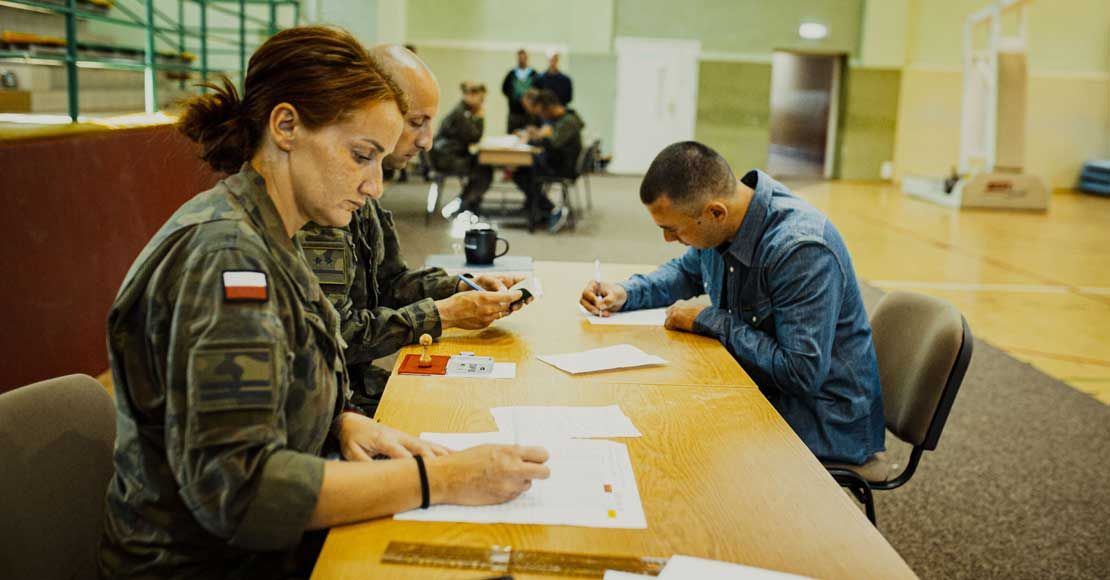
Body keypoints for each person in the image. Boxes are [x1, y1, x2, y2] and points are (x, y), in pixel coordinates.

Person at [100, 26, 550, 579]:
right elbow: (242, 493)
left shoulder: (269, 231)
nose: (375, 185)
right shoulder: (229, 261)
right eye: (361, 155)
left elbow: (276, 381)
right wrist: (442, 480)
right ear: (286, 126)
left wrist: (338, 423)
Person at [579, 141, 885, 465]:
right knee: (653, 410)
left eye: (673, 229)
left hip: (822, 419)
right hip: (761, 386)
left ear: (715, 213)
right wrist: (626, 292)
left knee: (669, 436)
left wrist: (710, 320)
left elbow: (800, 373)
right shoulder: (723, 223)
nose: (668, 239)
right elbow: (686, 272)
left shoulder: (801, 250)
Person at [298, 46, 530, 416]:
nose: (426, 141)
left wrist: (460, 287)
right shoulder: (323, 205)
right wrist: (444, 314)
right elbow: (336, 336)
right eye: (416, 122)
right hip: (335, 403)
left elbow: (390, 282)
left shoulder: (361, 192)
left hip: (347, 391)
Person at [511, 88, 585, 233]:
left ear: (549, 108)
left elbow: (552, 143)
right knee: (522, 170)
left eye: (541, 112)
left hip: (562, 168)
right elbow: (549, 141)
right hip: (557, 161)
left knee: (523, 173)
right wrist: (539, 135)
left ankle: (545, 209)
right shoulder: (562, 118)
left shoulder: (568, 121)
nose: (541, 116)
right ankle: (539, 208)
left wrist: (536, 138)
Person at [430, 81, 494, 214]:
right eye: (481, 99)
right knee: (483, 169)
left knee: (482, 165)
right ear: (470, 96)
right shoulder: (461, 113)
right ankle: (465, 204)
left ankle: (469, 202)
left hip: (449, 155)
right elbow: (475, 137)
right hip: (447, 159)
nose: (482, 103)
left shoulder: (464, 111)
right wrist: (480, 118)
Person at [501, 48, 538, 133]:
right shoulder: (511, 74)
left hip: (529, 114)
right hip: (514, 112)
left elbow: (538, 90)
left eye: (523, 57)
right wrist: (514, 98)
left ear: (527, 58)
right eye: (520, 58)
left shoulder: (533, 74)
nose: (521, 60)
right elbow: (504, 89)